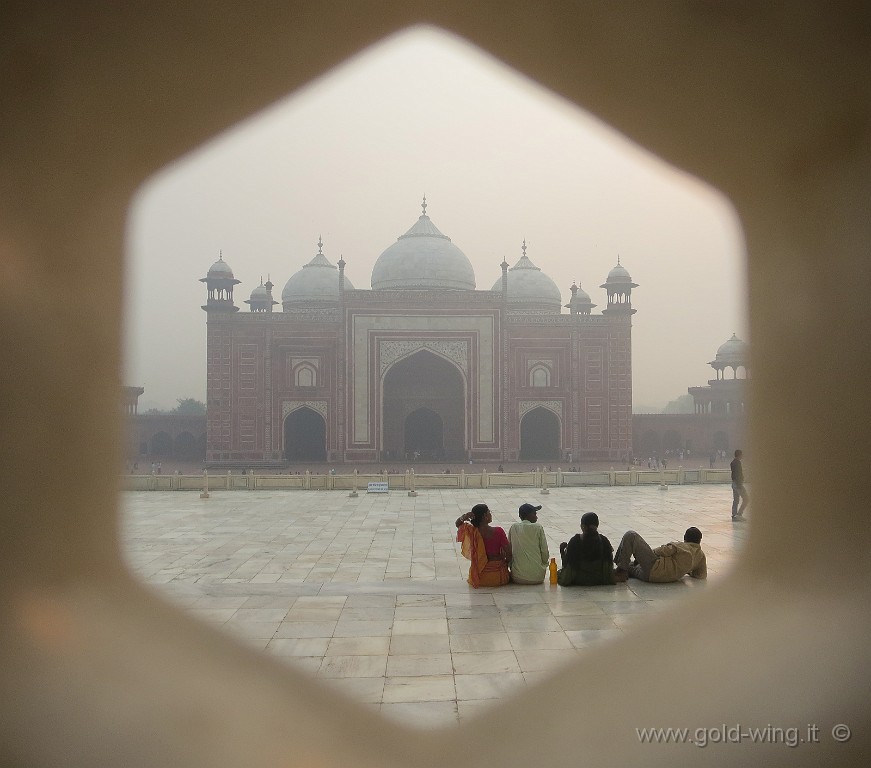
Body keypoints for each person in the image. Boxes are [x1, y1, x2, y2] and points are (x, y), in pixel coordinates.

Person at [613, 527, 707, 582]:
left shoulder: (681, 546)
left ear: (685, 538)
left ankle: (621, 571)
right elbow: (701, 575)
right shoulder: (701, 556)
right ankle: (624, 571)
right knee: (631, 565)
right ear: (699, 540)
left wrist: (641, 557)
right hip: (653, 578)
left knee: (631, 535)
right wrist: (684, 569)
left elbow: (660, 551)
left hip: (652, 568)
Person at [558, 512, 625, 586]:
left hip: (578, 579)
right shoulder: (604, 541)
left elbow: (568, 568)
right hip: (599, 579)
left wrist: (562, 552)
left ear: (583, 526)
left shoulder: (575, 541)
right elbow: (608, 567)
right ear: (597, 526)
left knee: (558, 573)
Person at [455, 503, 511, 588]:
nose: (491, 514)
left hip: (478, 577)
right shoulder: (499, 531)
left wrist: (464, 517)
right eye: (489, 512)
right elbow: (509, 553)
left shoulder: (472, 531)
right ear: (485, 516)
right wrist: (505, 566)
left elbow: (458, 524)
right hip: (498, 577)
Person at [508, 503, 549, 584]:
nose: (536, 517)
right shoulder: (538, 527)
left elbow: (509, 550)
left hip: (517, 577)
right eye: (534, 514)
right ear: (528, 515)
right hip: (538, 577)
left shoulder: (514, 527)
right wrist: (543, 564)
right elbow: (545, 552)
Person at [730, 449, 749, 521]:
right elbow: (738, 474)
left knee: (736, 500)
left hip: (734, 483)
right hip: (738, 484)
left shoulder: (733, 462)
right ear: (739, 455)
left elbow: (734, 474)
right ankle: (739, 514)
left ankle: (734, 514)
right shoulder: (737, 463)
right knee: (746, 499)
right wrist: (740, 484)